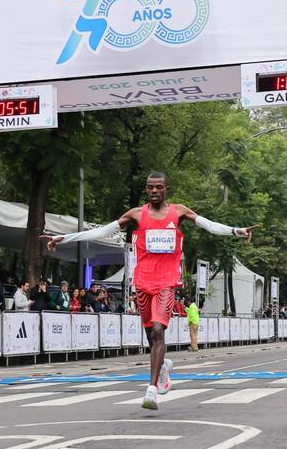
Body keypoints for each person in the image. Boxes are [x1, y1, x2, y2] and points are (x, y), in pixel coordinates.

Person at [41, 171, 258, 410]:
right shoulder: (136, 214)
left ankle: (152, 389)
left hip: (167, 281)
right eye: (150, 187)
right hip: (143, 281)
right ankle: (163, 367)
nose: (154, 191)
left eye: (159, 187)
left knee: (157, 332)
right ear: (146, 190)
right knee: (150, 336)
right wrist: (65, 238)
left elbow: (208, 225)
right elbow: (102, 231)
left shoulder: (179, 212)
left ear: (166, 189)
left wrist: (236, 231)